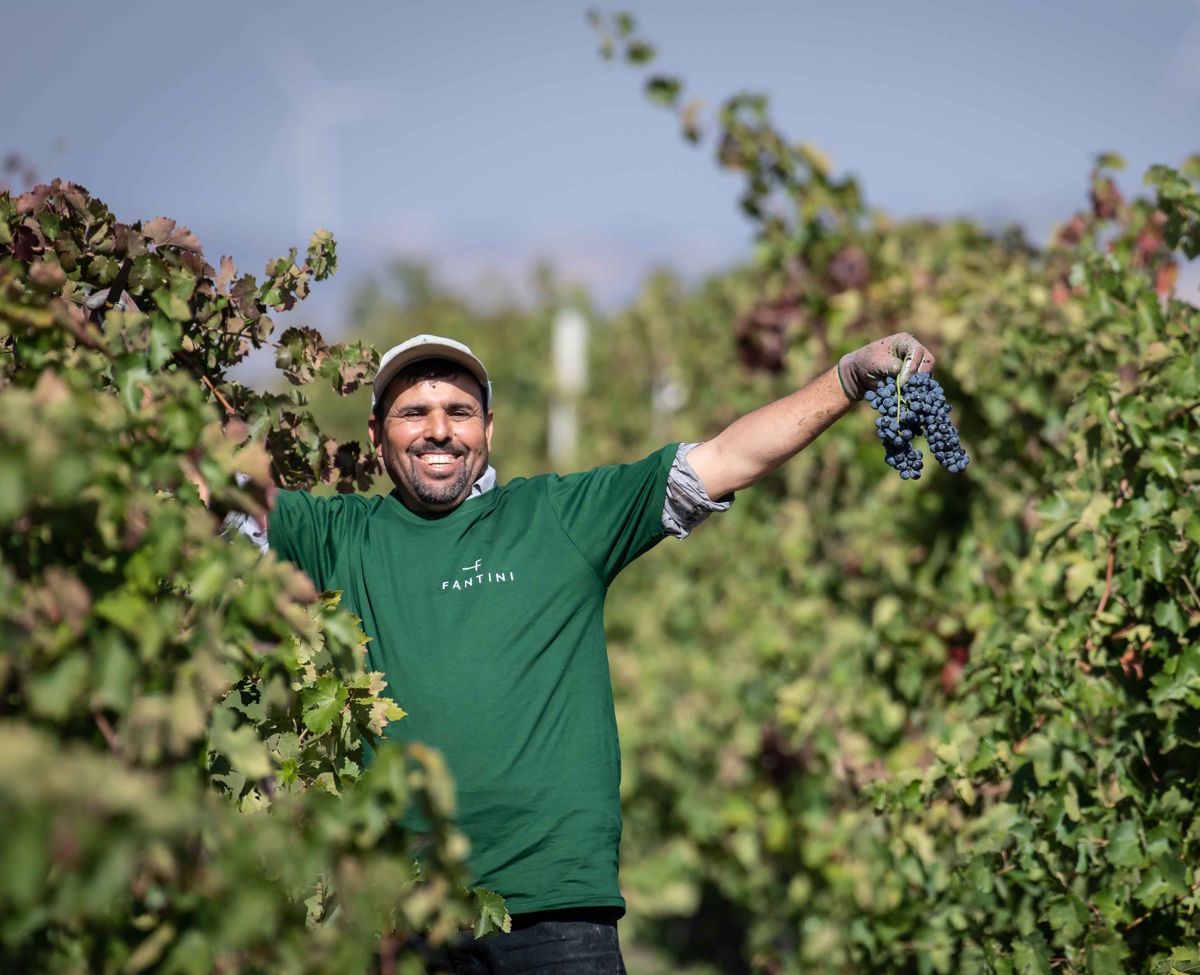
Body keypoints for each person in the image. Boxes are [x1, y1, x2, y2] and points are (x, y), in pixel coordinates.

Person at [260, 330, 935, 973]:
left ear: (488, 429)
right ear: (377, 437)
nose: (439, 428)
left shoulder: (558, 517)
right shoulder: (336, 534)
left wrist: (848, 375)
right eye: (414, 411)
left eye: (459, 410)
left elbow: (727, 458)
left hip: (556, 910)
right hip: (399, 915)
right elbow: (206, 479)